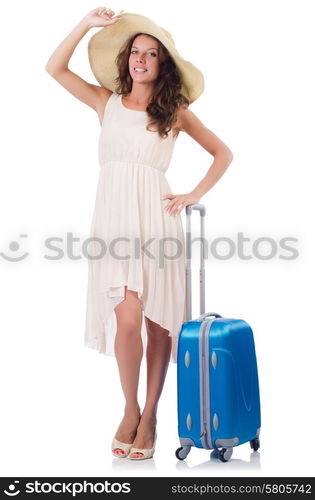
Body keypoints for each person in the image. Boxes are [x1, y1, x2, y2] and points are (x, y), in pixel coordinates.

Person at [45, 7, 233, 460]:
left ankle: (151, 417)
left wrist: (191, 194)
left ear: (162, 64)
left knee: (159, 325)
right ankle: (130, 409)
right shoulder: (104, 101)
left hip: (158, 221)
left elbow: (223, 153)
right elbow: (54, 68)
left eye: (150, 54)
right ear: (126, 59)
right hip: (113, 221)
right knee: (126, 323)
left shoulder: (175, 112)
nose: (141, 59)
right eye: (135, 52)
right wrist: (87, 23)